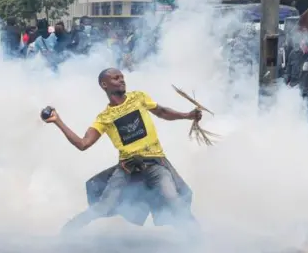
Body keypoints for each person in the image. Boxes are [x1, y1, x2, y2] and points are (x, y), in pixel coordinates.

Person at [42, 68, 201, 237]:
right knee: (104, 205)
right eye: (116, 78)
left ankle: (197, 239)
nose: (121, 80)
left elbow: (161, 112)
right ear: (104, 84)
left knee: (173, 199)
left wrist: (187, 115)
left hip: (154, 163)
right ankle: (69, 230)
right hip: (126, 167)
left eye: (122, 77)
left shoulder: (138, 97)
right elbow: (83, 144)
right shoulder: (105, 117)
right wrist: (58, 121)